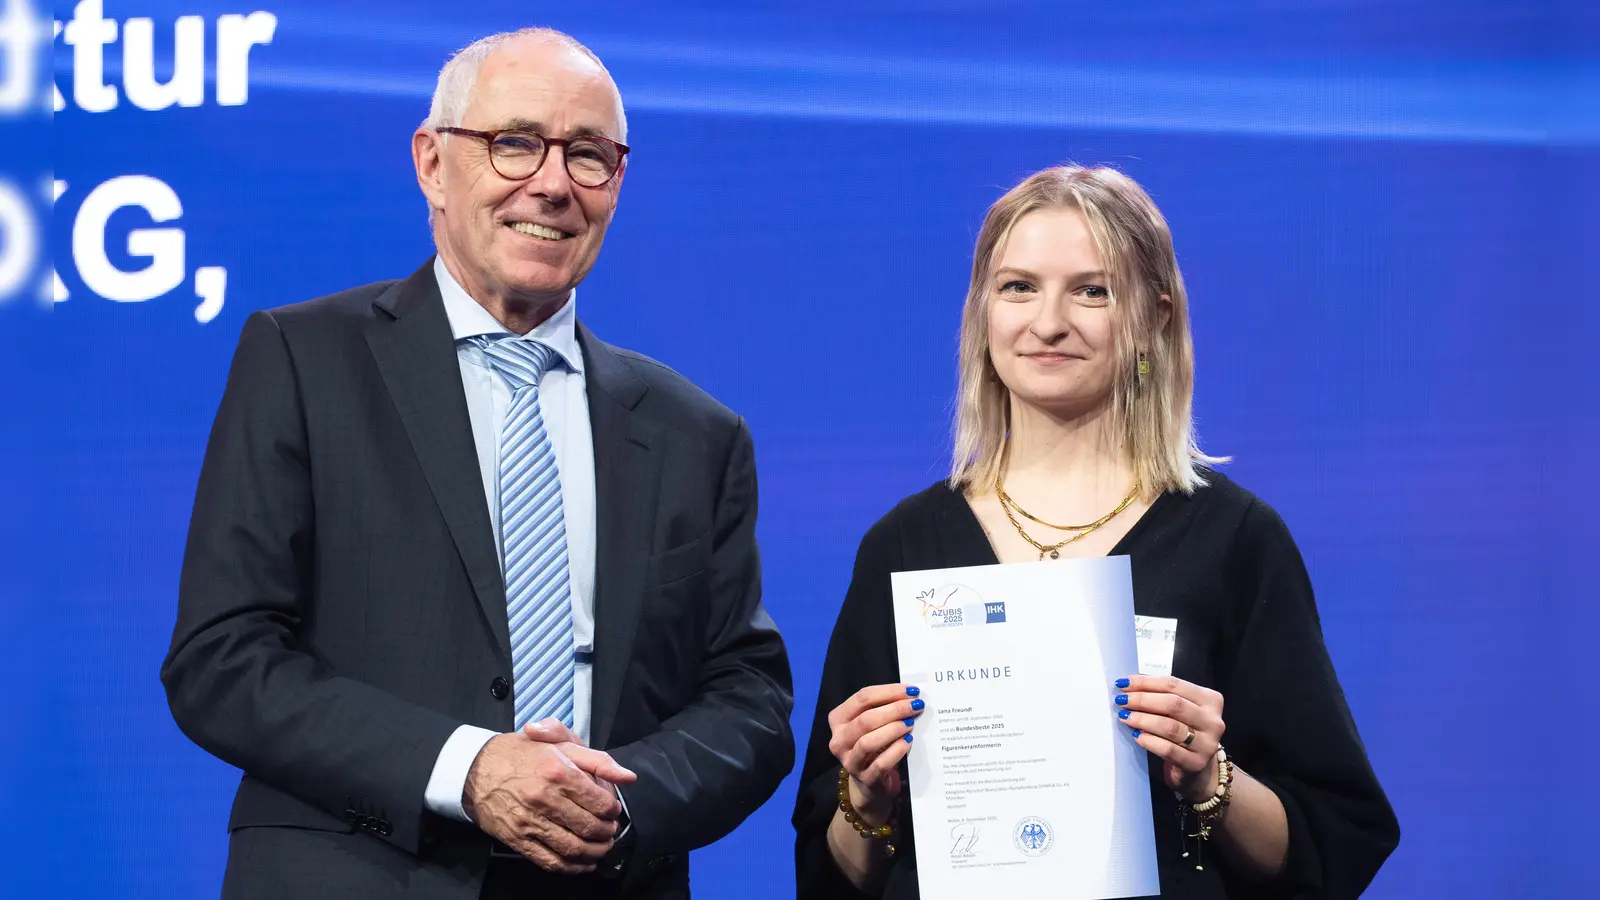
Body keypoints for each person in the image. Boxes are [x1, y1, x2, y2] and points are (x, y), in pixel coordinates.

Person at [161, 28, 793, 900]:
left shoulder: (696, 432)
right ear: (431, 163)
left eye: (589, 156)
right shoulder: (304, 360)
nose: (553, 183)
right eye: (516, 143)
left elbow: (748, 700)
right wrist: (466, 769)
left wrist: (617, 802)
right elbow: (221, 658)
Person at [793, 165, 1398, 898]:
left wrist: (1211, 774)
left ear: (1156, 317)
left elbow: (1330, 848)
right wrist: (866, 797)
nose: (1048, 322)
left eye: (1093, 290)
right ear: (982, 312)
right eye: (1018, 287)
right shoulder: (903, 546)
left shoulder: (1235, 540)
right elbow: (832, 879)